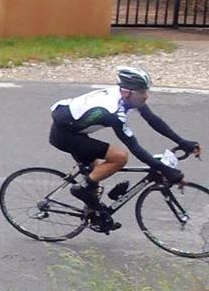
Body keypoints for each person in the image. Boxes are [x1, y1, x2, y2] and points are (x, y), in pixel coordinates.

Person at [51, 66, 200, 232]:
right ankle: (80, 189)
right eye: (142, 92)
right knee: (119, 157)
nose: (146, 95)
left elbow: (152, 119)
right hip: (65, 136)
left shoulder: (127, 96)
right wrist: (168, 171)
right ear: (127, 92)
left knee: (95, 171)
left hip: (73, 125)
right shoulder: (113, 112)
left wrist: (182, 141)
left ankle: (95, 215)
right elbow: (135, 147)